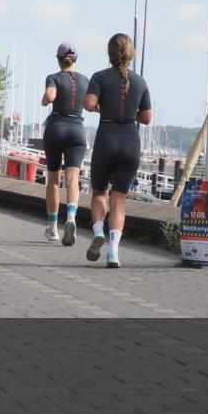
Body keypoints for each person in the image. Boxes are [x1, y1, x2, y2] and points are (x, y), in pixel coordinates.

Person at [83, 33, 152, 268]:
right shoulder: (140, 82)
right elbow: (147, 117)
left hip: (107, 139)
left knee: (99, 193)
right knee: (119, 200)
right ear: (131, 54)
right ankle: (113, 252)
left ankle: (98, 230)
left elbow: (89, 104)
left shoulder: (99, 77)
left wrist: (104, 107)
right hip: (130, 142)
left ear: (109, 53)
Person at [40, 42, 90, 245]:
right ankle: (71, 217)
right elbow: (94, 105)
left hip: (56, 128)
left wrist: (44, 101)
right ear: (75, 59)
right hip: (77, 130)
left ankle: (52, 228)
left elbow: (50, 96)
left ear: (58, 59)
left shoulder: (53, 77)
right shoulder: (86, 80)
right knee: (73, 179)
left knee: (53, 179)